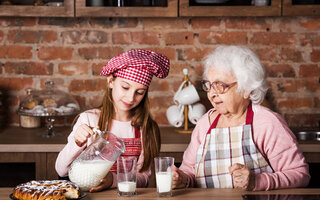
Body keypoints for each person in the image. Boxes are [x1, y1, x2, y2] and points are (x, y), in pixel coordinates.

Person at [172, 45, 310, 191]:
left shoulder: (266, 122)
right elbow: (189, 171)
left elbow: (300, 174)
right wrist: (181, 178)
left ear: (246, 89)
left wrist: (257, 181)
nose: (212, 94)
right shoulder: (204, 123)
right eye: (209, 85)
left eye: (220, 86)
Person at [55, 49, 170, 192]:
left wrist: (113, 180)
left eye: (139, 92)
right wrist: (77, 142)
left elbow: (144, 178)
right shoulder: (90, 120)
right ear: (110, 81)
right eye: (125, 87)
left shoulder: (146, 128)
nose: (130, 98)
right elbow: (61, 171)